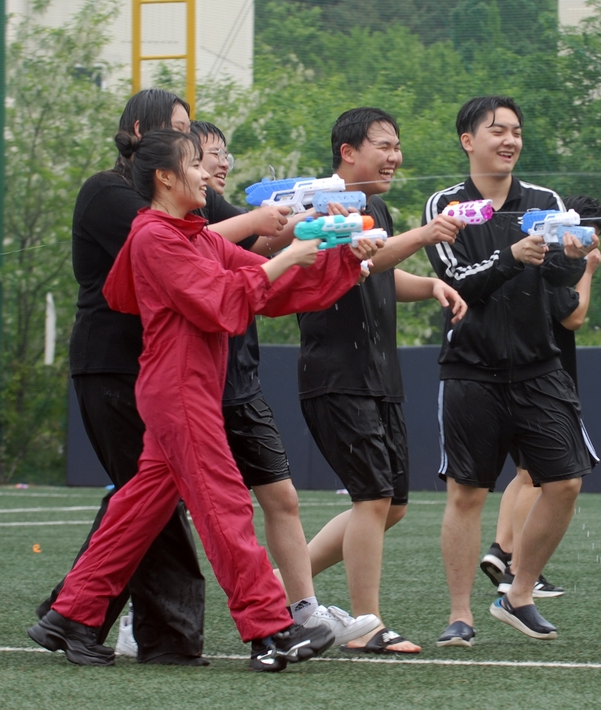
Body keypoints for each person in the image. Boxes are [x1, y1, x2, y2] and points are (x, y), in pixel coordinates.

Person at [28, 128, 374, 672]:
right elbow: (220, 303)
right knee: (225, 505)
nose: (208, 175)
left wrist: (340, 257)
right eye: (196, 163)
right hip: (179, 393)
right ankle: (270, 629)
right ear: (165, 177)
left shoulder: (194, 238)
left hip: (185, 390)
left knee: (138, 509)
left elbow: (271, 293)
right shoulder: (156, 238)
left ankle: (70, 614)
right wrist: (293, 255)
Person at [36, 89, 209, 667]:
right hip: (113, 367)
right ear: (142, 132)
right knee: (148, 503)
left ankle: (71, 614)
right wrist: (270, 234)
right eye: (183, 133)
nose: (196, 145)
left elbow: (220, 246)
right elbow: (198, 251)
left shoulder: (165, 204)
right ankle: (136, 631)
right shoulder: (109, 193)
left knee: (143, 501)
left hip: (148, 372)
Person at [424, 96, 600, 648]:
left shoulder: (545, 200)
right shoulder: (444, 205)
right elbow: (459, 282)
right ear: (466, 140)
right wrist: (511, 256)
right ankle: (460, 615)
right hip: (470, 368)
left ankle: (518, 594)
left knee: (565, 481)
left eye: (517, 131)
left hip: (539, 366)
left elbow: (560, 283)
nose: (509, 140)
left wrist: (571, 256)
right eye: (496, 130)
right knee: (466, 493)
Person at [300, 107, 468, 654]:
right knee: (372, 496)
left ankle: (287, 588)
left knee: (391, 504)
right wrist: (426, 233)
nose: (394, 156)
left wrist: (433, 287)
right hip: (336, 373)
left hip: (379, 376)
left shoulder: (375, 206)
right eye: (384, 145)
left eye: (397, 146)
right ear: (348, 151)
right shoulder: (321, 203)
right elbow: (358, 266)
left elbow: (382, 275)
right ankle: (366, 624)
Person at [480, 195, 601, 600]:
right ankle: (518, 568)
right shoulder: (553, 259)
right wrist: (586, 269)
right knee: (543, 477)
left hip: (522, 373)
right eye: (594, 237)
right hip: (542, 376)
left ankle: (501, 551)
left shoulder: (539, 253)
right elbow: (574, 315)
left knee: (526, 474)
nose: (595, 246)